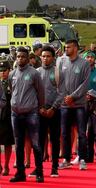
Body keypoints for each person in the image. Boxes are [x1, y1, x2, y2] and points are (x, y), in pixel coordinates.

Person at [8, 46, 45, 183]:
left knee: (35, 143)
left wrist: (40, 107)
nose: (20, 59)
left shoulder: (34, 73)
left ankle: (39, 172)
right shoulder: (12, 74)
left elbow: (40, 92)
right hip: (15, 114)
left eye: (23, 57)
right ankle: (20, 173)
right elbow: (12, 90)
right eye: (18, 57)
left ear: (28, 59)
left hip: (31, 113)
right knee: (18, 144)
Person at [58, 40, 90, 170]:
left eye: (69, 47)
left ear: (76, 48)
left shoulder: (84, 63)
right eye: (65, 47)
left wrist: (73, 96)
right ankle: (66, 159)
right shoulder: (62, 62)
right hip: (65, 105)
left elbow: (85, 83)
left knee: (82, 133)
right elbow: (59, 81)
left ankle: (82, 158)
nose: (66, 49)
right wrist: (66, 97)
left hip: (79, 105)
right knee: (65, 133)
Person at [36, 46, 63, 178]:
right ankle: (38, 167)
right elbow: (33, 92)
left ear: (53, 58)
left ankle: (54, 167)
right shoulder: (36, 72)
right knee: (39, 140)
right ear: (40, 57)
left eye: (48, 56)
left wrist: (53, 108)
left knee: (55, 139)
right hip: (39, 112)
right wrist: (40, 108)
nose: (45, 58)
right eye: (43, 56)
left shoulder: (58, 72)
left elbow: (62, 92)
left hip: (55, 111)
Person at [0, 59, 14, 177]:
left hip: (9, 116)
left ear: (9, 71)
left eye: (5, 70)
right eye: (0, 71)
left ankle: (6, 166)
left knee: (7, 143)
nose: (2, 73)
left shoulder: (12, 82)